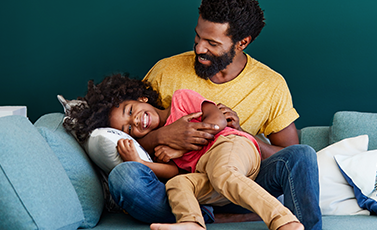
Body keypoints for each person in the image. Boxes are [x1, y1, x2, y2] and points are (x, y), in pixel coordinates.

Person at [109, 0, 322, 229]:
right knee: (124, 178)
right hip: (193, 182)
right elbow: (133, 127)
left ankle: (288, 223)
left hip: (243, 178)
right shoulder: (165, 71)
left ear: (242, 43)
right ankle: (205, 217)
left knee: (302, 154)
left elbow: (285, 154)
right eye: (198, 37)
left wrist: (238, 133)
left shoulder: (271, 85)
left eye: (211, 43)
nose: (199, 48)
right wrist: (165, 136)